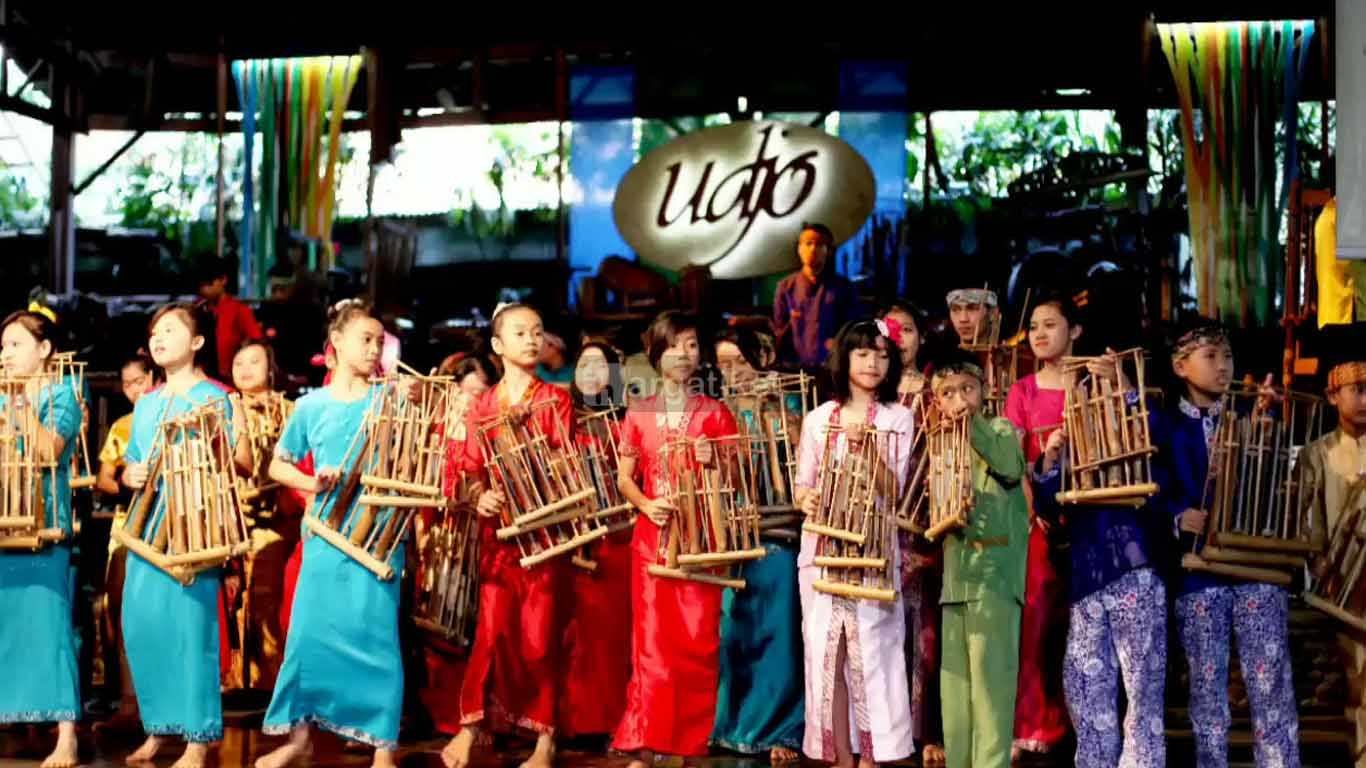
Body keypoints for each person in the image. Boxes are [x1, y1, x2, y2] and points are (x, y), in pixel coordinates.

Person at [255, 300, 406, 768]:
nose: (374, 348)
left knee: (378, 636)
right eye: (366, 338)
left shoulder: (391, 402)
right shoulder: (310, 405)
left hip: (377, 534)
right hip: (324, 530)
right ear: (335, 343)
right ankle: (299, 735)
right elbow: (279, 464)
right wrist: (312, 481)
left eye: (380, 341)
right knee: (307, 636)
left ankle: (384, 745)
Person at [1019, 303, 1167, 767]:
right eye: (1034, 327)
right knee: (1085, 683)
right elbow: (1046, 500)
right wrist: (1049, 459)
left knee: (1141, 685)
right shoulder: (1069, 420)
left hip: (1133, 563)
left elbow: (1155, 459)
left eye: (1052, 325)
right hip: (1085, 570)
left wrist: (1122, 389)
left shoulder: (1134, 409)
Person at [1149, 320, 1300, 768]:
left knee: (1269, 684)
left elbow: (1272, 484)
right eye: (1210, 356)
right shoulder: (1163, 424)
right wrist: (1177, 513)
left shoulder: (1250, 414)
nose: (1223, 366)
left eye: (1227, 356)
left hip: (1255, 570)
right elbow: (1149, 485)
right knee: (1208, 690)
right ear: (1180, 365)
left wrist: (1265, 424)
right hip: (1199, 575)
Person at [443, 303, 574, 768]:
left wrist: (543, 468)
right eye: (520, 332)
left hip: (543, 535)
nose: (532, 339)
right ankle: (470, 727)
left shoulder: (555, 399)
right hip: (499, 535)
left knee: (540, 636)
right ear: (498, 346)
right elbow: (468, 468)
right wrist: (478, 495)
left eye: (538, 331)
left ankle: (545, 739)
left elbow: (566, 463)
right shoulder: (483, 405)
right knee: (492, 631)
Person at [613, 311, 739, 768]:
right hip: (651, 540)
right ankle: (645, 746)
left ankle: (686, 745)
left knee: (696, 643)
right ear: (655, 354)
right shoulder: (639, 411)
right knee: (650, 645)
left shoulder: (714, 412)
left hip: (701, 541)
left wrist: (713, 461)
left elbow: (740, 478)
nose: (683, 355)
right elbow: (625, 478)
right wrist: (646, 505)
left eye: (690, 345)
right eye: (673, 346)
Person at [795, 319, 914, 767]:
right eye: (863, 353)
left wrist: (869, 451)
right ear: (845, 358)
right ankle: (840, 756)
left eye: (882, 355)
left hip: (873, 553)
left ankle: (875, 757)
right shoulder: (817, 419)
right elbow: (802, 486)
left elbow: (897, 489)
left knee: (874, 654)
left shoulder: (898, 418)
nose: (872, 363)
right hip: (822, 554)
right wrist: (805, 498)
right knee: (827, 652)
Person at [121, 303, 234, 768]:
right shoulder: (147, 402)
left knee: (191, 631)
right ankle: (158, 727)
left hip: (192, 525)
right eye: (154, 331)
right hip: (146, 526)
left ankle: (197, 736)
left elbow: (225, 464)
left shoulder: (214, 397)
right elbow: (130, 462)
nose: (159, 338)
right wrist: (132, 473)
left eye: (170, 330)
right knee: (143, 626)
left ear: (198, 342)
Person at [931, 349, 1029, 768]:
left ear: (984, 393)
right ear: (936, 401)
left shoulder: (1001, 429)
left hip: (994, 578)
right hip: (956, 579)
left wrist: (971, 424)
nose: (959, 400)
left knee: (991, 689)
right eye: (948, 393)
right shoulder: (940, 447)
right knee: (955, 695)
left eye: (967, 390)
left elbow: (1009, 466)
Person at [711, 327, 805, 763]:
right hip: (733, 536)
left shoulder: (788, 403)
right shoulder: (719, 412)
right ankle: (731, 725)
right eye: (724, 364)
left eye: (740, 361)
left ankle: (781, 728)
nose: (733, 372)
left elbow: (799, 460)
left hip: (780, 532)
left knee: (779, 631)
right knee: (735, 633)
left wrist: (772, 409)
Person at [0, 311, 84, 768]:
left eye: (14, 344)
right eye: (3, 346)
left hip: (43, 523)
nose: (5, 354)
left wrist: (18, 405)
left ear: (44, 349)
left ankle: (66, 733)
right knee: (7, 630)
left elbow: (49, 448)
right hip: (3, 523)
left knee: (51, 628)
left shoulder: (61, 394)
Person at [1002, 294, 1075, 759]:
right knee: (1035, 620)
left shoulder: (1090, 385)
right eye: (1033, 326)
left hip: (1090, 514)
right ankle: (1034, 721)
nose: (1040, 334)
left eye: (1051, 324)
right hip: (1038, 519)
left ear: (1077, 331)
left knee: (1080, 626)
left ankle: (1083, 721)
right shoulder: (1022, 391)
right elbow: (1011, 461)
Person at [876, 302, 943, 766]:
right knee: (879, 627)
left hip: (922, 517)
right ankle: (882, 728)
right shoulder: (868, 395)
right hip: (876, 518)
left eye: (909, 329)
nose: (900, 338)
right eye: (890, 330)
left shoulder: (935, 391)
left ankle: (926, 730)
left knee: (925, 629)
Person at [557, 340, 633, 740]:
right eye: (583, 364)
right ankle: (575, 720)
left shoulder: (628, 420)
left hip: (619, 539)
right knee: (576, 634)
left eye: (600, 366)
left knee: (614, 634)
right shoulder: (564, 419)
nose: (590, 373)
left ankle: (614, 721)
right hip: (575, 540)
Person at [1305, 322, 1366, 766]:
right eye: (1358, 389)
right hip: (1344, 586)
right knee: (1357, 678)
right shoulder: (1316, 453)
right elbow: (1312, 523)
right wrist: (1320, 561)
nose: (1365, 400)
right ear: (1332, 395)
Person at [226, 340, 294, 692]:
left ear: (271, 368)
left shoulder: (290, 411)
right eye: (239, 362)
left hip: (273, 522)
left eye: (254, 361)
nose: (245, 368)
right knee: (233, 604)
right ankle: (236, 681)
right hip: (231, 523)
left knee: (266, 599)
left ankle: (270, 683)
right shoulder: (223, 408)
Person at [95, 353, 157, 731]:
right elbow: (102, 478)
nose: (134, 390)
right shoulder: (122, 426)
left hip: (166, 526)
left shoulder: (169, 416)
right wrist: (122, 481)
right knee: (122, 611)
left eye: (139, 381)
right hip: (127, 524)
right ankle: (129, 703)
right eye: (128, 384)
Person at [772, 223, 858, 370]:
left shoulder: (843, 287)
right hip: (795, 371)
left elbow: (852, 328)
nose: (812, 249)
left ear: (828, 251)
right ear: (799, 249)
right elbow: (779, 331)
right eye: (808, 243)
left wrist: (837, 344)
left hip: (832, 368)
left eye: (819, 245)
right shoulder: (785, 287)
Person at [197, 260, 263, 380]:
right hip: (203, 377)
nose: (205, 289)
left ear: (223, 280)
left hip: (231, 377)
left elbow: (256, 339)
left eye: (209, 284)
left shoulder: (239, 309)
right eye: (202, 285)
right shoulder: (198, 309)